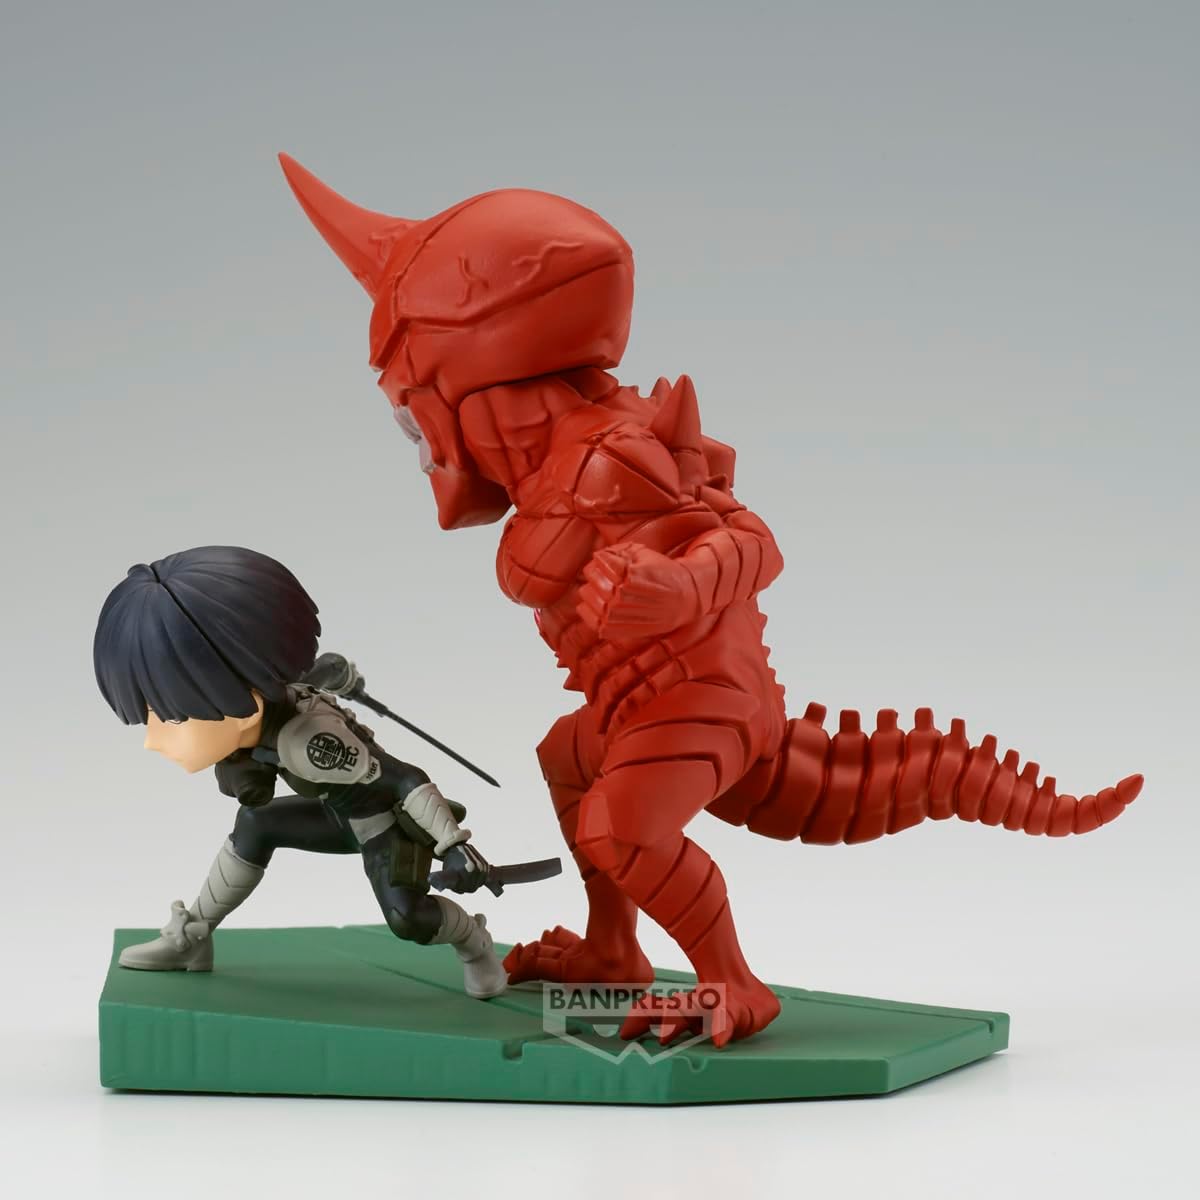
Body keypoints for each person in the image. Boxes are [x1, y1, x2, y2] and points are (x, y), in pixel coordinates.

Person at [93, 544, 506, 999]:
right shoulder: (268, 701)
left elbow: (403, 779)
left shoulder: (311, 744)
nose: (154, 738)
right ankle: (192, 936)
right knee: (256, 824)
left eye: (172, 716)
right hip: (333, 810)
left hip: (381, 825)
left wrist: (453, 845)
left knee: (407, 918)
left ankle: (475, 943)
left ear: (240, 703)